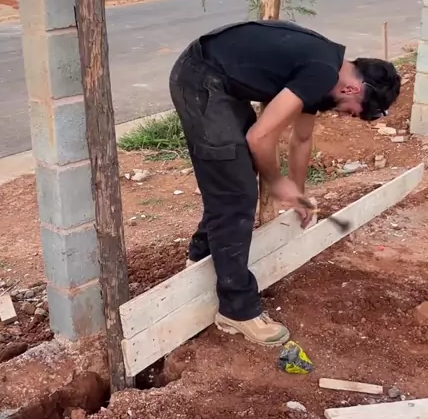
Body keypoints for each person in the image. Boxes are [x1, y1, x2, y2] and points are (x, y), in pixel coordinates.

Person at [169, 19, 401, 347]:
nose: (347, 115)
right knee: (236, 193)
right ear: (353, 90)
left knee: (235, 172)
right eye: (353, 111)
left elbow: (301, 139)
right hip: (200, 78)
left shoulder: (330, 72)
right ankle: (236, 310)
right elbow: (259, 137)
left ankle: (200, 258)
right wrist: (277, 181)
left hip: (218, 79)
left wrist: (299, 196)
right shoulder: (321, 74)